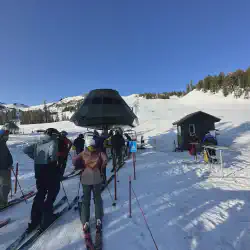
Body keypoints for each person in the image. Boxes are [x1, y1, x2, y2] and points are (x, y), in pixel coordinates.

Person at [23, 128, 60, 231]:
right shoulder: (53, 142)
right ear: (52, 135)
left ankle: (35, 219)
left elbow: (25, 150)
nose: (57, 138)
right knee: (53, 191)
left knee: (41, 193)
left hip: (39, 172)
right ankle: (47, 217)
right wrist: (53, 162)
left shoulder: (38, 142)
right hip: (49, 171)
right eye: (56, 135)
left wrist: (36, 157)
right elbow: (53, 157)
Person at [72, 137, 107, 235]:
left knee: (86, 200)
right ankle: (98, 219)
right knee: (97, 198)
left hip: (85, 178)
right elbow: (105, 160)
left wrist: (81, 166)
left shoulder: (83, 153)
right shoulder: (99, 152)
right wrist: (101, 167)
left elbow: (74, 161)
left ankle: (85, 221)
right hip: (97, 178)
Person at [0, 130, 13, 209]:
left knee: (1, 185)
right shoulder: (1, 144)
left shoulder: (2, 143)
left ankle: (1, 202)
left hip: (3, 168)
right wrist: (9, 165)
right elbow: (4, 157)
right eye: (6, 135)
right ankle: (3, 203)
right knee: (6, 186)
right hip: (4, 169)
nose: (7, 137)